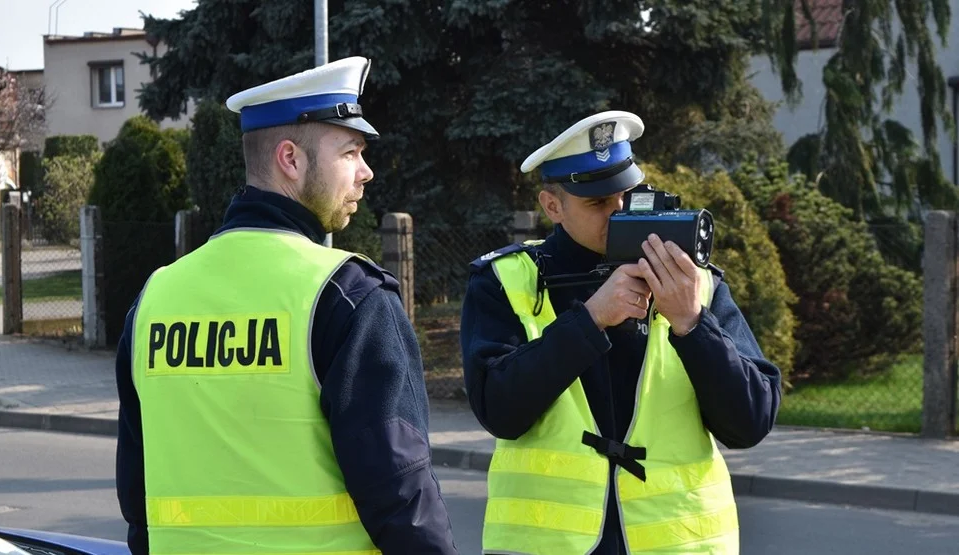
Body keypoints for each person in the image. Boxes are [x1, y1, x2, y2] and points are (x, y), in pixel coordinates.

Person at [114, 56, 459, 555]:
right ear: (290, 159)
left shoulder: (155, 298)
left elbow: (138, 504)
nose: (367, 171)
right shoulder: (348, 295)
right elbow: (403, 500)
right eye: (350, 151)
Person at [460, 111, 783, 555]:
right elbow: (499, 410)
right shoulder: (504, 280)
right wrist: (590, 319)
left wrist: (692, 324)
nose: (617, 212)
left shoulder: (695, 282)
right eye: (597, 203)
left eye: (626, 196)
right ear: (553, 206)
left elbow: (751, 423)